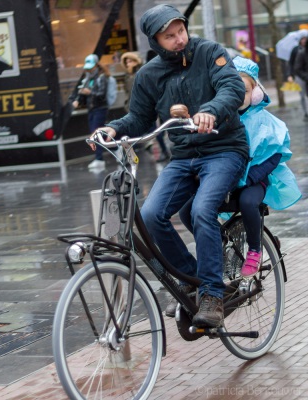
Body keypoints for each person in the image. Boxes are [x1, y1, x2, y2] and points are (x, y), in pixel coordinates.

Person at [89, 4, 249, 328]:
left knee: (203, 210)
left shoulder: (210, 52)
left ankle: (213, 295)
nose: (179, 39)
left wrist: (211, 111)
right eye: (169, 36)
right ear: (155, 41)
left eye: (181, 31)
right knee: (149, 217)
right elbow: (139, 118)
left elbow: (232, 89)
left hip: (223, 149)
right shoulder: (149, 74)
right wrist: (113, 129)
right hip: (184, 157)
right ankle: (192, 278)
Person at [177, 56, 301, 281]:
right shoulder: (222, 116)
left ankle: (255, 249)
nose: (238, 96)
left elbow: (276, 153)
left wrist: (255, 175)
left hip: (255, 179)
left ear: (255, 92)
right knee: (187, 210)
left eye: (243, 90)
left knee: (247, 202)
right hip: (225, 177)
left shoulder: (265, 121)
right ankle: (217, 240)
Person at [72, 54, 110, 169]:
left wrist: (90, 93)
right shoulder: (87, 77)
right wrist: (78, 100)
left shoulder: (102, 77)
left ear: (96, 65)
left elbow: (102, 95)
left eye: (91, 66)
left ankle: (99, 158)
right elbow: (82, 92)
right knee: (98, 134)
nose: (89, 69)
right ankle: (116, 148)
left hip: (100, 108)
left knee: (96, 133)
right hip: (92, 109)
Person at [294, 36, 308, 121]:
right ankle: (306, 112)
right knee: (303, 95)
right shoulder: (301, 52)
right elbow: (296, 67)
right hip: (304, 79)